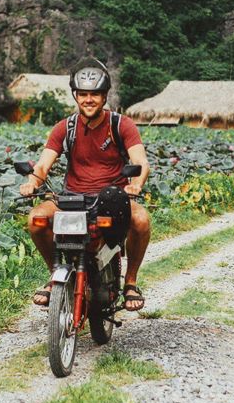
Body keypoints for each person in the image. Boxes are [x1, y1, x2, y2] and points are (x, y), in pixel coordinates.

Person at [18, 58, 151, 311]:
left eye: (95, 94)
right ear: (75, 96)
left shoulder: (121, 125)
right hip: (72, 198)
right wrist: (31, 183)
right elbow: (43, 165)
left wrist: (136, 184)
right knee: (36, 219)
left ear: (104, 97)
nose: (88, 100)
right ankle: (55, 273)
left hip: (112, 199)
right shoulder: (65, 127)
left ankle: (131, 282)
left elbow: (140, 161)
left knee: (142, 220)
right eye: (83, 94)